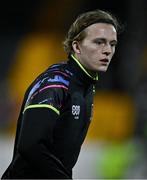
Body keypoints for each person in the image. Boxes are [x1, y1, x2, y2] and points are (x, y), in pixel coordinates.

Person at [1, 9, 120, 179]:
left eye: (112, 44)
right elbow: (31, 145)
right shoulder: (55, 83)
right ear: (76, 46)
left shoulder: (86, 87)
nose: (107, 50)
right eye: (99, 42)